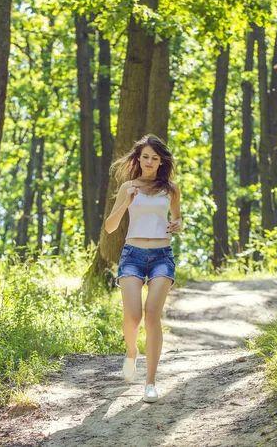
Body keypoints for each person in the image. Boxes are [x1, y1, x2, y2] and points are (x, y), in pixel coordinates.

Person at [104, 134, 182, 403]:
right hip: (132, 255)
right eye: (146, 156)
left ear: (161, 162)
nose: (150, 161)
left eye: (155, 158)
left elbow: (176, 218)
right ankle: (131, 352)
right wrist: (126, 200)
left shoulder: (171, 188)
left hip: (162, 254)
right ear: (139, 158)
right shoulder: (128, 186)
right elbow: (110, 227)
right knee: (133, 316)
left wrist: (178, 224)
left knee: (152, 315)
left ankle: (150, 383)